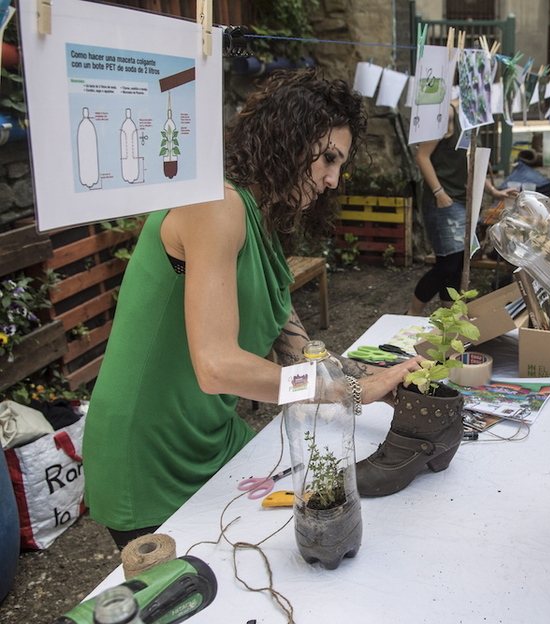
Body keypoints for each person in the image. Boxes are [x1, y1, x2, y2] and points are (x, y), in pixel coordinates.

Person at [83, 69, 424, 549]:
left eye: (340, 165)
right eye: (328, 158)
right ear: (288, 136)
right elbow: (218, 367)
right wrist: (348, 391)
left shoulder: (260, 215)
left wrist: (381, 376)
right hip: (149, 446)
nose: (332, 179)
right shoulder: (215, 204)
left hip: (209, 431)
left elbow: (300, 349)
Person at [407, 99, 518, 315]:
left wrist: (493, 192)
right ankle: (411, 313)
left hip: (460, 201)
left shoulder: (467, 117)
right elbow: (422, 156)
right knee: (448, 264)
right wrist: (439, 192)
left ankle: (449, 320)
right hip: (443, 202)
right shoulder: (445, 111)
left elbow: (471, 161)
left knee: (456, 265)